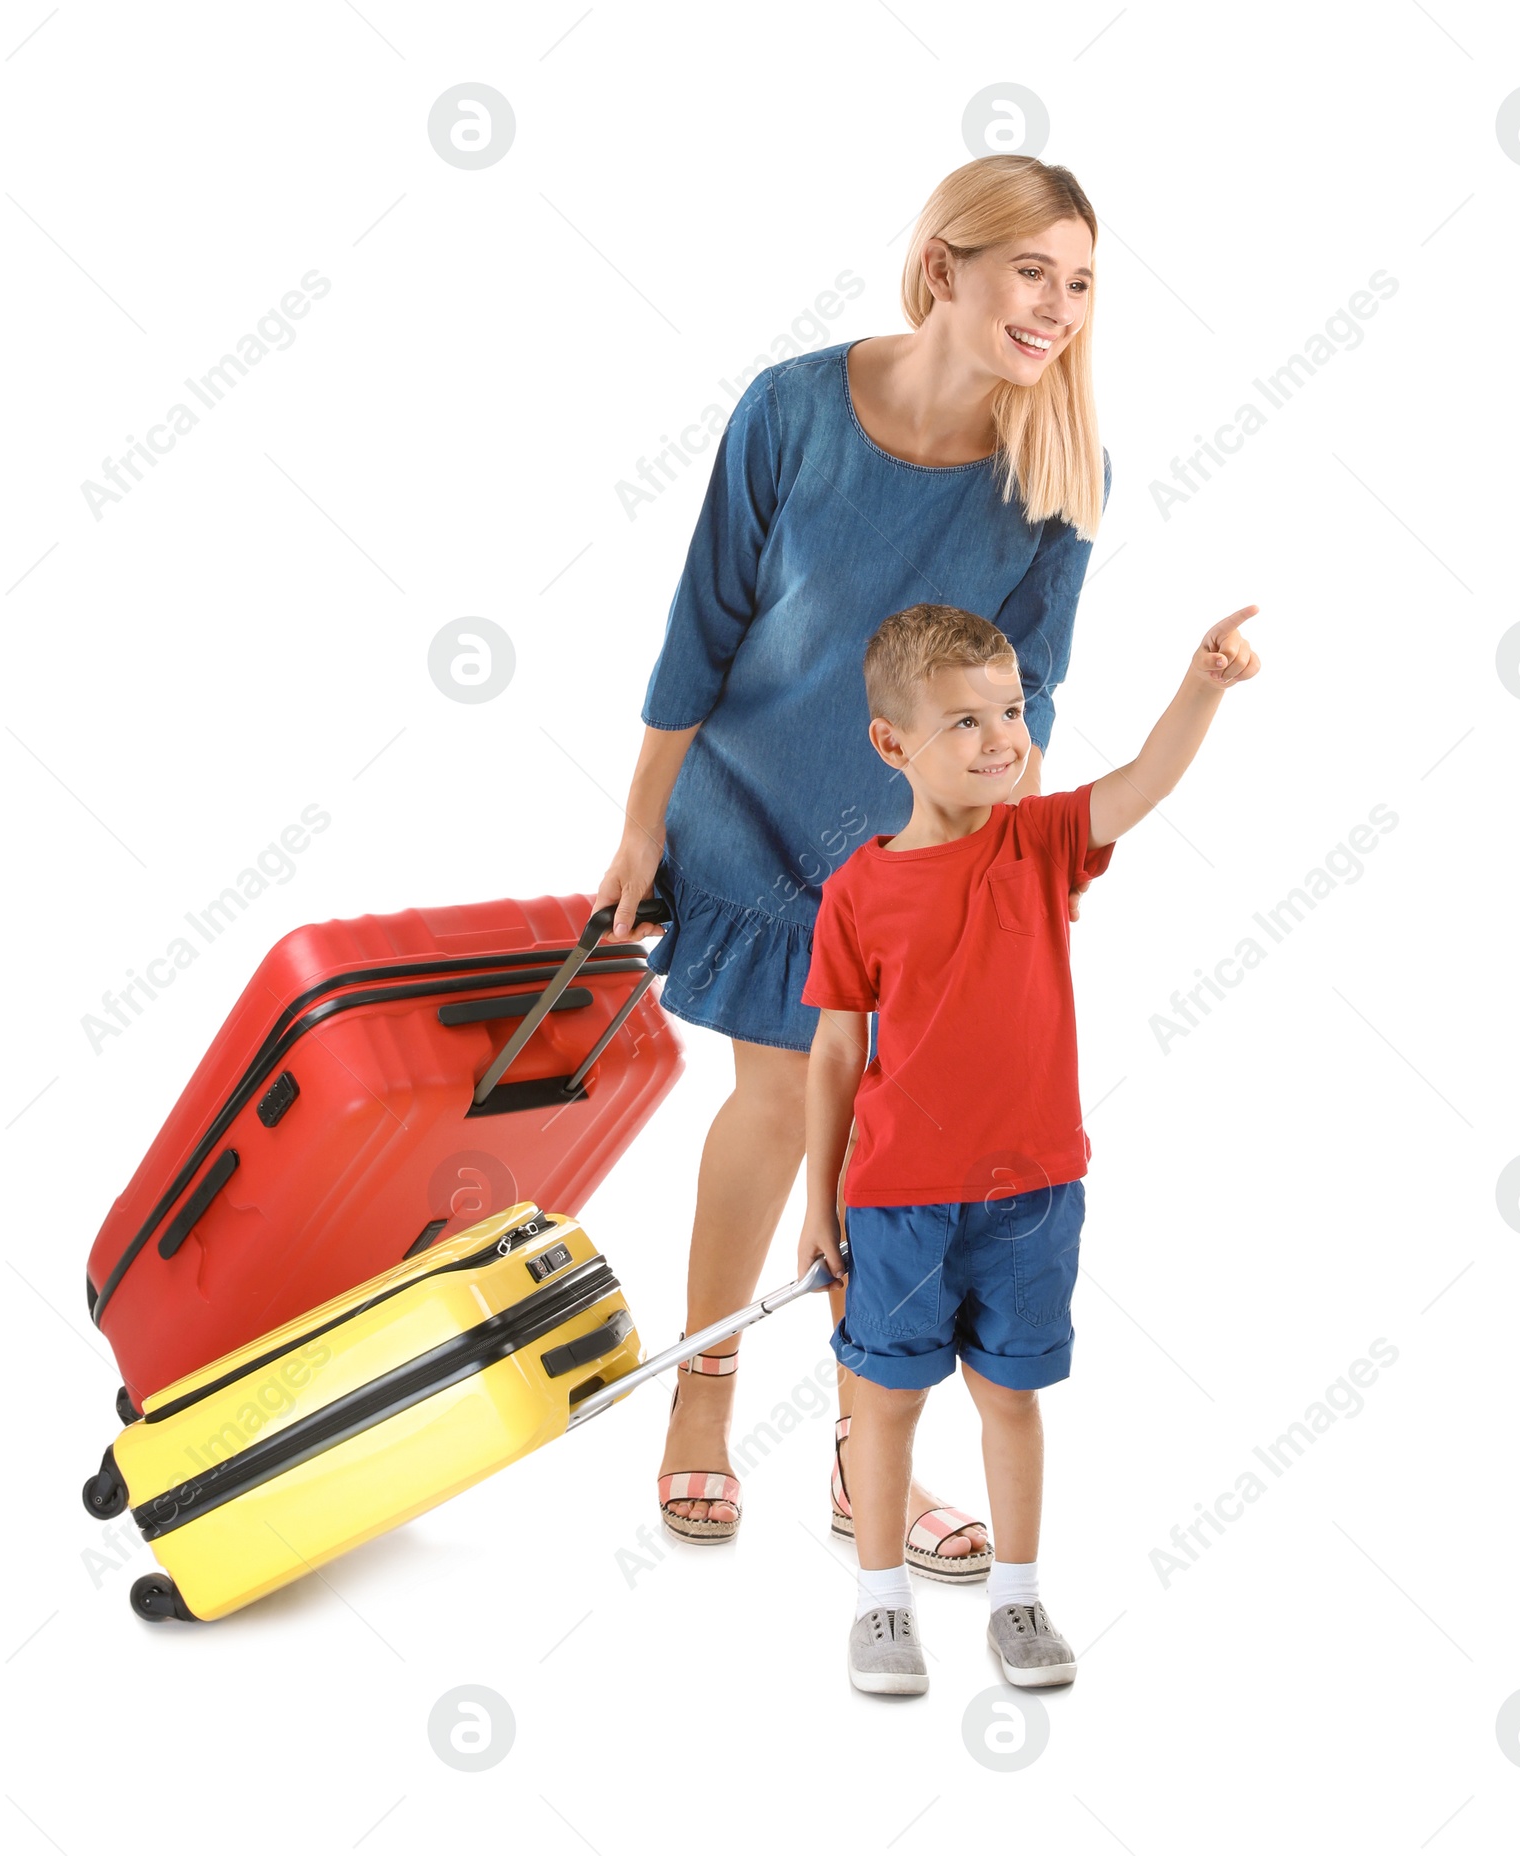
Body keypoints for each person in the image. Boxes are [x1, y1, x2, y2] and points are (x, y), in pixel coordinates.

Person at [596, 155, 1109, 1569]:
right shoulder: (794, 409)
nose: (1057, 306)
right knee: (779, 1102)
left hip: (914, 850)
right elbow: (702, 626)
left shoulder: (1057, 473)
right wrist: (642, 820)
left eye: (1079, 283)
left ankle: (859, 1449)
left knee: (895, 1148)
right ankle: (701, 1411)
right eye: (1031, 271)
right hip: (751, 814)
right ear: (944, 264)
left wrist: (989, 881)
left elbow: (1031, 699)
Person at [798, 599, 1259, 1694]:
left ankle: (1016, 1595)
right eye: (966, 721)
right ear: (891, 742)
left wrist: (1201, 684)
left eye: (1010, 710)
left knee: (1010, 1394)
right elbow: (830, 1054)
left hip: (1035, 1192)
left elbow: (1142, 783)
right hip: (897, 1200)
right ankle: (879, 1608)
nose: (1002, 737)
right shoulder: (856, 891)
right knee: (882, 1404)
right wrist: (820, 1202)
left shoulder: (1044, 839)